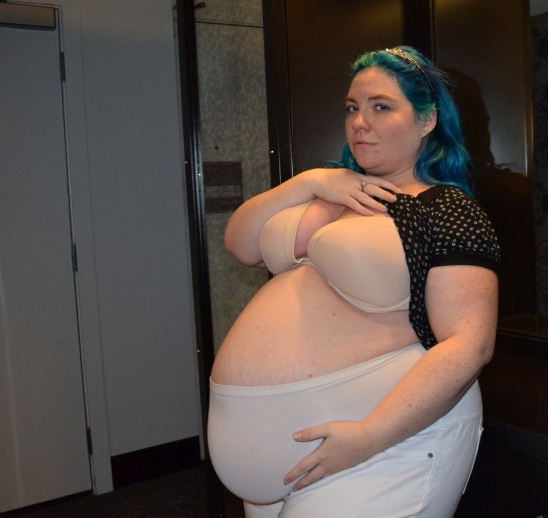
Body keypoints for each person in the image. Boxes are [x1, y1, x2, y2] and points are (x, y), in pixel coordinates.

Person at [207, 46, 501, 517]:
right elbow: (241, 243)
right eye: (352, 108)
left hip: (385, 439)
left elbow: (470, 344)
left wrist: (370, 436)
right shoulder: (332, 189)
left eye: (381, 107)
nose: (360, 122)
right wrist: (309, 182)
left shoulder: (446, 209)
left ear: (427, 120)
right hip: (287, 450)